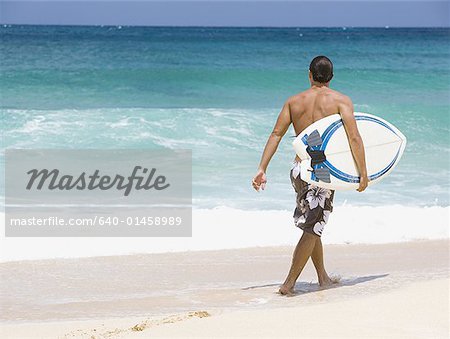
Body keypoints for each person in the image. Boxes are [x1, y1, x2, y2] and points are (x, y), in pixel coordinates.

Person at [252, 56, 368, 296]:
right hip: (321, 172)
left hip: (298, 170)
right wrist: (363, 173)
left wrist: (262, 168)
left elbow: (276, 134)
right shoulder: (341, 101)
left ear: (309, 75)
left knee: (313, 225)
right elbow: (354, 138)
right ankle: (289, 284)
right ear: (332, 77)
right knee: (313, 227)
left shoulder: (294, 102)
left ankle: (322, 277)